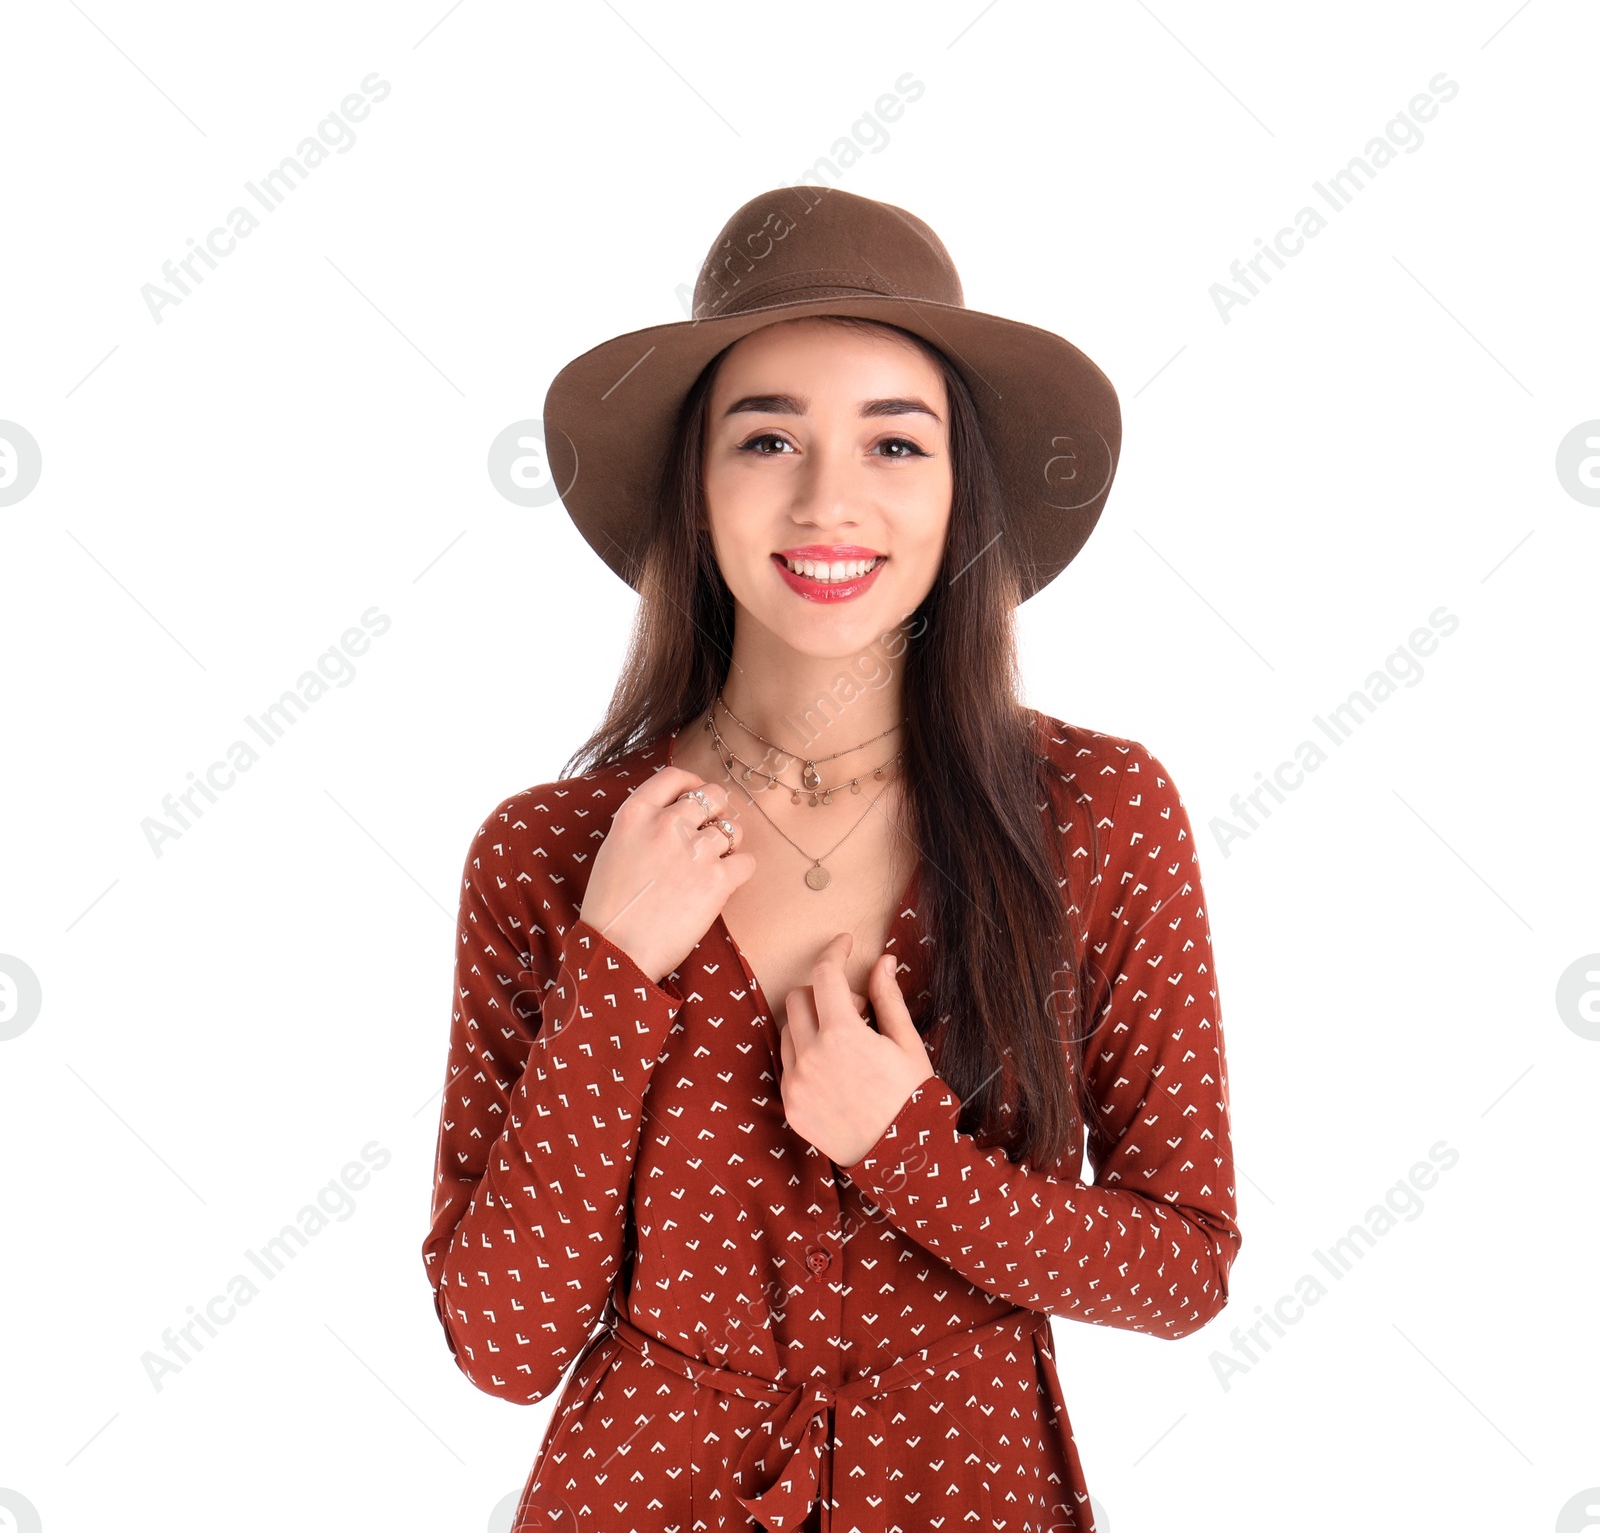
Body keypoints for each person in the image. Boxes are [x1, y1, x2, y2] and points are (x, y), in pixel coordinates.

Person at [421, 186, 1242, 1533]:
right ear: (697, 484)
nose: (829, 502)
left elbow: (1184, 1265)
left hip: (965, 1486)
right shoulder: (552, 851)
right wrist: (613, 971)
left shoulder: (1097, 812)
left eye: (895, 445)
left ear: (960, 485)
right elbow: (501, 1344)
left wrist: (909, 1153)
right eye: (767, 440)